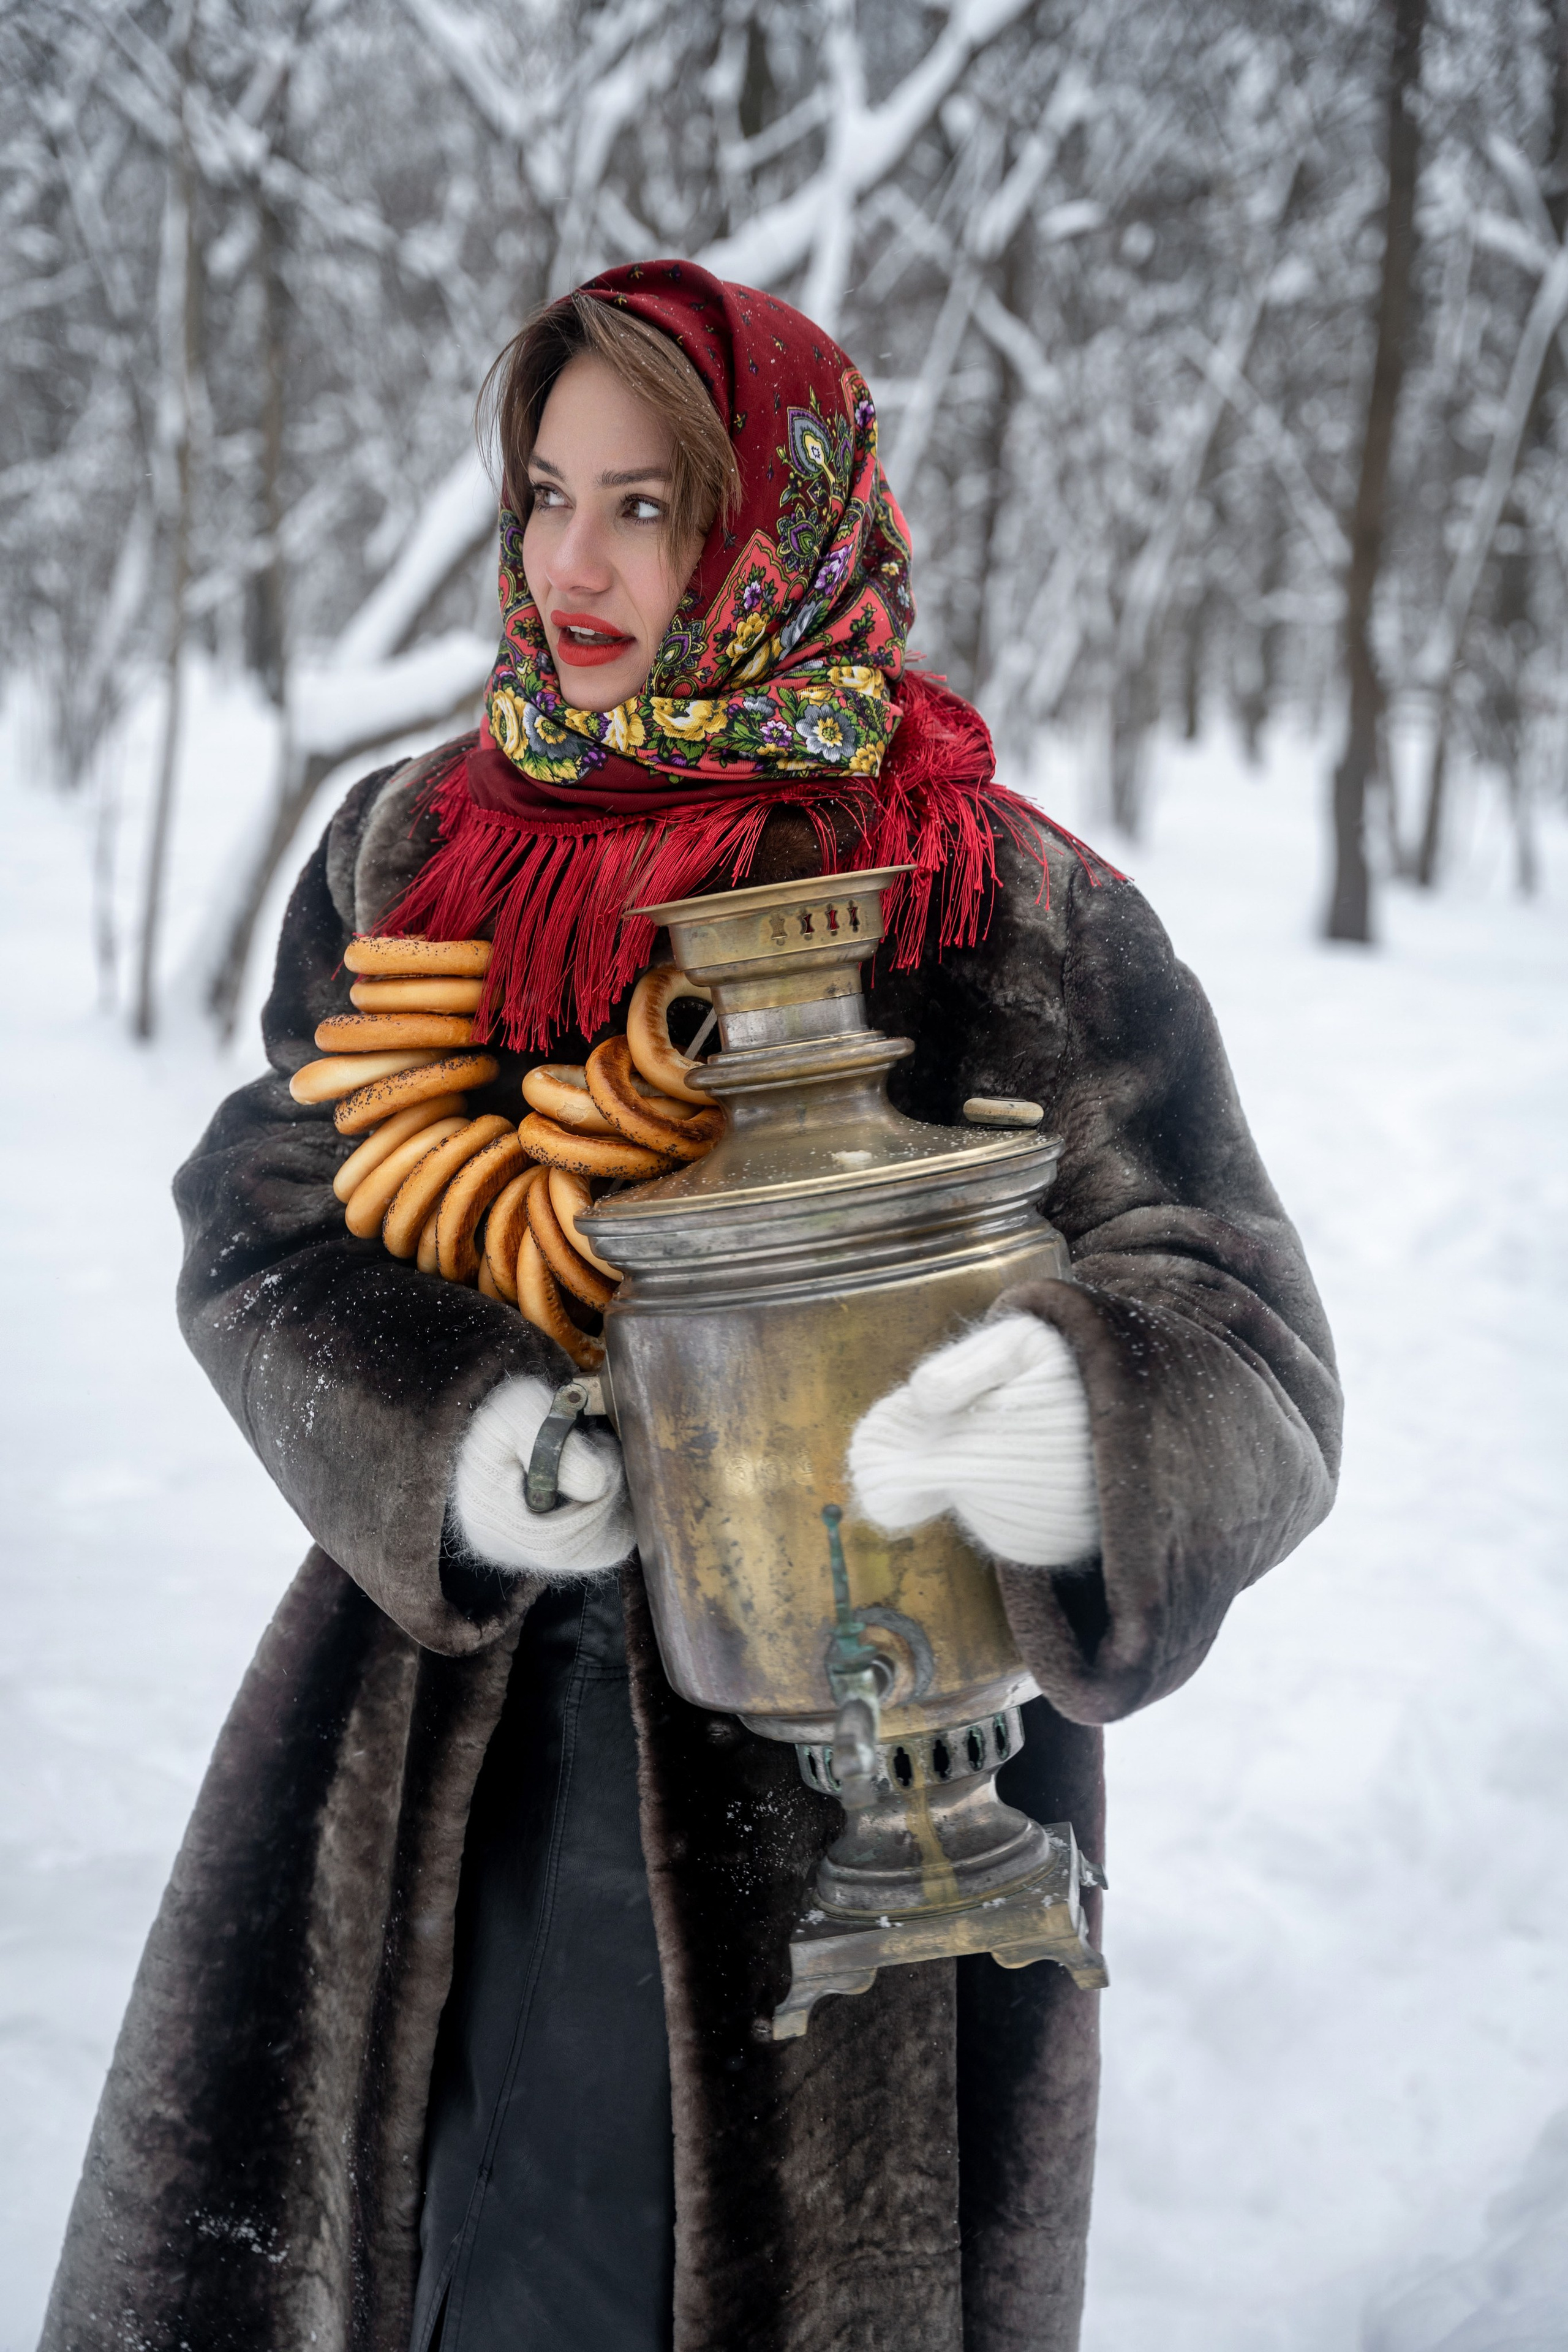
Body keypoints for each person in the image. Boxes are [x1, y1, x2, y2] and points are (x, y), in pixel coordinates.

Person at [41, 262, 1340, 2352]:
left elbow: (1256, 1342)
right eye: (545, 494)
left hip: (867, 1799)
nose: (572, 562)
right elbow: (265, 1221)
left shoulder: (996, 904)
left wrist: (1072, 1427)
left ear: (771, 524)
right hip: (434, 1756)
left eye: (645, 506)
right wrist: (461, 1442)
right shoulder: (415, 855)